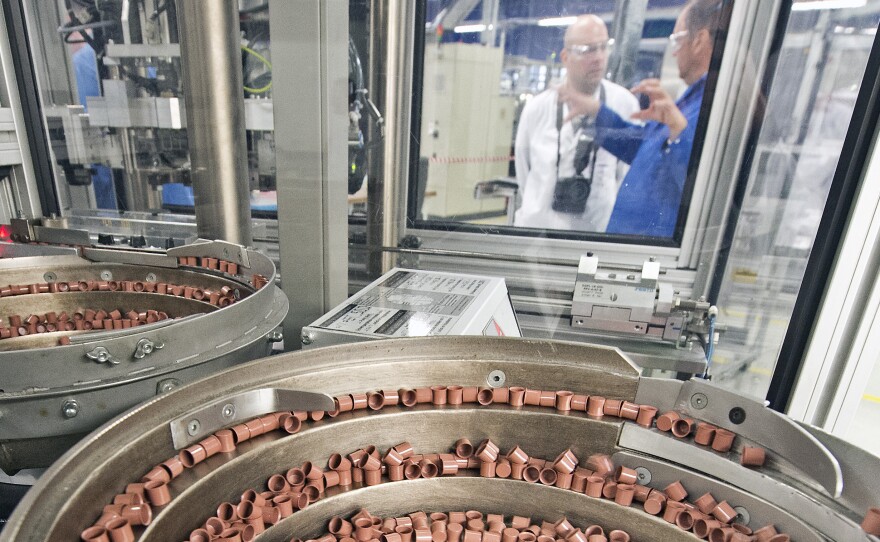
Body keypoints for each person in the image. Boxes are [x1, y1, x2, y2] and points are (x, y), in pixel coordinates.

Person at [563, 0, 722, 237]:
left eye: (677, 39)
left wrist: (678, 131)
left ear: (699, 40)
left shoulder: (711, 107)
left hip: (654, 251)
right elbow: (641, 148)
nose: (675, 51)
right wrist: (596, 110)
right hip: (632, 242)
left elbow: (701, 184)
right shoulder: (689, 102)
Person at [514, 15, 640, 232]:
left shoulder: (624, 105)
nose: (598, 58)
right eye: (587, 50)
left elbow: (625, 175)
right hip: (538, 235)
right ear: (565, 56)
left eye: (603, 47)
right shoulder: (537, 108)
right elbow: (523, 172)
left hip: (594, 236)